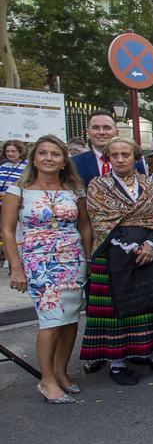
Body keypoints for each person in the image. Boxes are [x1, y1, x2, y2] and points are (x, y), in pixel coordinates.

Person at [79, 136, 153, 385]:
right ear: (108, 159)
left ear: (136, 157)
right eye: (114, 155)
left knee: (152, 304)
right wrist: (133, 246)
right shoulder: (98, 185)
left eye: (125, 154)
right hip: (114, 252)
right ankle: (117, 364)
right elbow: (102, 222)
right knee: (118, 312)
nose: (120, 159)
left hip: (152, 251)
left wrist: (150, 245)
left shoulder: (148, 183)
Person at [2, 136, 92, 403]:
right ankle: (47, 380)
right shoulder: (17, 190)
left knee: (70, 319)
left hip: (72, 260)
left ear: (64, 160)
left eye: (55, 154)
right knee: (51, 320)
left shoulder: (75, 190)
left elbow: (85, 225)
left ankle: (62, 372)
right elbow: (6, 231)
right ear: (34, 158)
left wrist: (87, 259)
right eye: (43, 153)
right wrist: (16, 268)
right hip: (39, 263)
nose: (48, 158)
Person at [71, 110, 146, 187]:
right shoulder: (74, 163)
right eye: (95, 128)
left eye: (107, 128)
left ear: (116, 133)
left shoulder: (135, 162)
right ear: (88, 133)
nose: (101, 132)